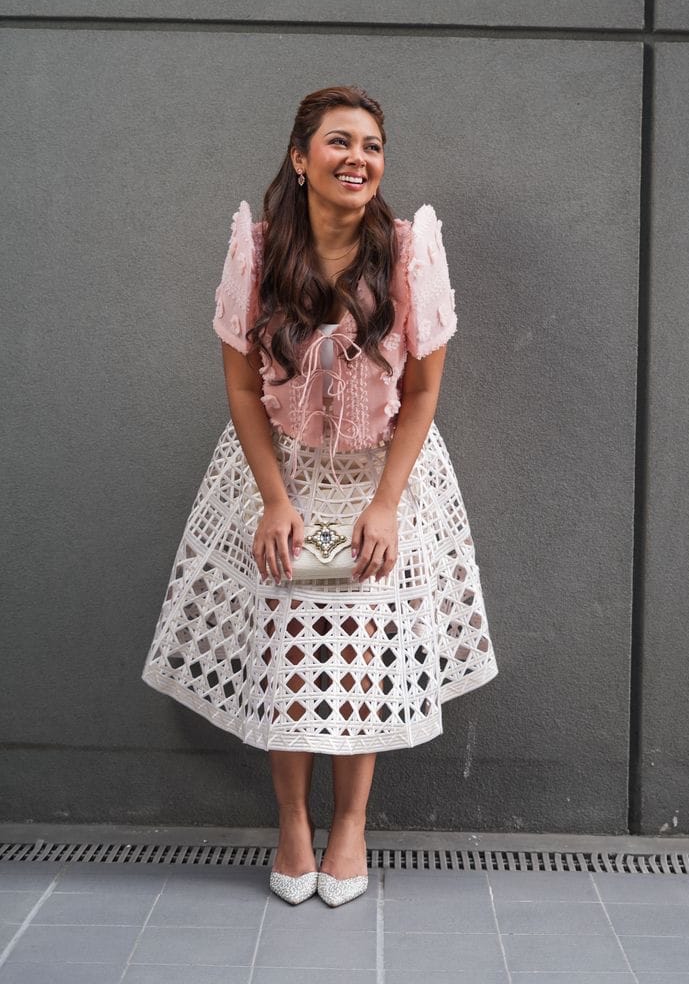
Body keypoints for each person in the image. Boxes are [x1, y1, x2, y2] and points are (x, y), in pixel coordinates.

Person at [141, 84, 499, 907]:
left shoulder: (407, 254)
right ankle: (294, 823)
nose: (358, 159)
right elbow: (242, 388)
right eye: (340, 142)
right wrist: (274, 499)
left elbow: (422, 393)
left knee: (359, 650)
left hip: (384, 475)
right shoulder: (259, 252)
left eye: (372, 146)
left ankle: (351, 827)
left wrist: (386, 505)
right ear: (300, 159)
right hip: (283, 472)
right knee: (290, 648)